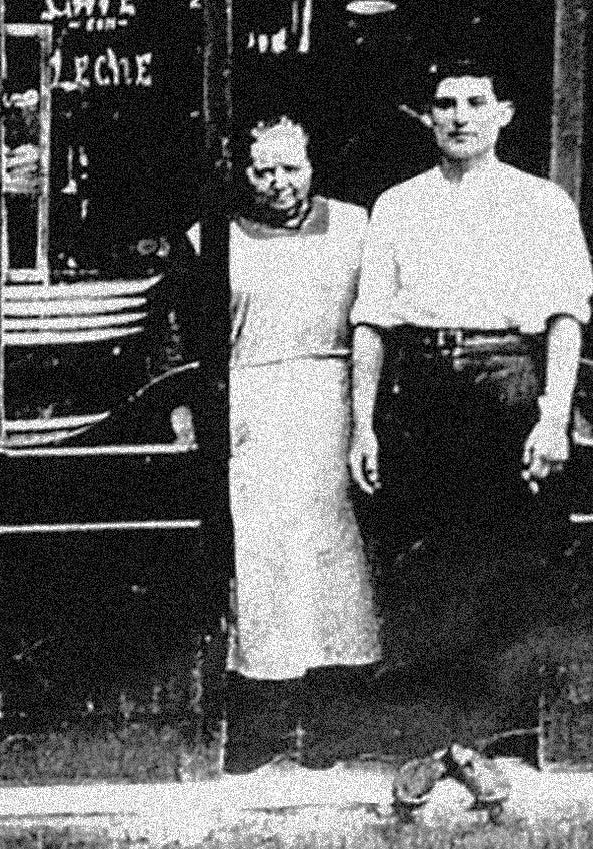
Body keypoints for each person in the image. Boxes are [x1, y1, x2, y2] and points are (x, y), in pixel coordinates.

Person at [347, 52, 593, 808]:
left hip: (503, 379)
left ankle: (478, 744)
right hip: (419, 384)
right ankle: (426, 743)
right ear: (427, 116)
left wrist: (553, 415)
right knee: (420, 565)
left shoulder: (541, 203)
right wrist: (363, 425)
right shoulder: (397, 205)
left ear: (504, 113)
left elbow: (565, 317)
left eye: (474, 101)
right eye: (444, 103)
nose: (458, 116)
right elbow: (371, 323)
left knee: (496, 560)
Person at [195, 110, 381, 771]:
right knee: (265, 566)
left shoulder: (359, 227)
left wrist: (369, 416)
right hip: (255, 409)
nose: (277, 182)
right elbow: (190, 341)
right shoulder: (212, 241)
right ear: (243, 174)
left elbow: (379, 324)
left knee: (333, 566)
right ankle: (262, 729)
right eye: (262, 169)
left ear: (313, 165)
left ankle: (332, 729)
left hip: (335, 405)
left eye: (290, 167)